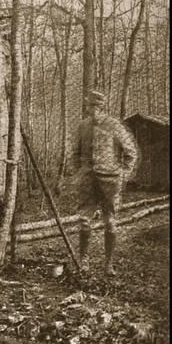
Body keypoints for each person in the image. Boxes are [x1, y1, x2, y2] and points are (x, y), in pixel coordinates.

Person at [73, 90, 137, 277]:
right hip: (87, 181)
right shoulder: (82, 126)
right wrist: (79, 172)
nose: (92, 110)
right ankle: (83, 261)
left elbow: (131, 152)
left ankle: (108, 265)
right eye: (89, 106)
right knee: (85, 220)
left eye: (96, 106)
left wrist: (123, 174)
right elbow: (75, 153)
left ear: (102, 107)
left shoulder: (114, 126)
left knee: (110, 221)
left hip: (110, 181)